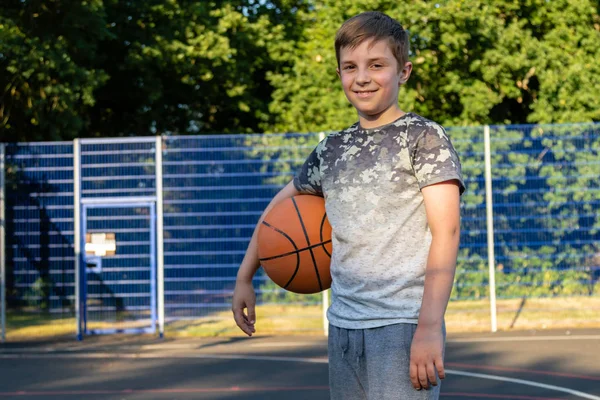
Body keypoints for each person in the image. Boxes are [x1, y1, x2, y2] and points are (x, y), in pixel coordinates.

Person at [232, 11, 465, 400]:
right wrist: (244, 276)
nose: (362, 77)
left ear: (403, 71)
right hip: (342, 325)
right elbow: (278, 211)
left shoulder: (423, 137)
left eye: (377, 65)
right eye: (350, 67)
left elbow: (447, 232)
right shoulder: (332, 148)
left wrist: (428, 326)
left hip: (402, 324)